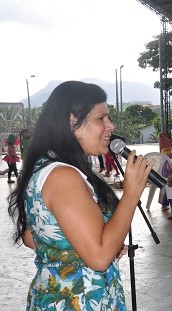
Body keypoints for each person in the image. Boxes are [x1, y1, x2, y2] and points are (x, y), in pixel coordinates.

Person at [7, 81, 153, 309]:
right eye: (101, 118)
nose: (111, 125)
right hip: (79, 300)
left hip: (59, 296)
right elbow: (99, 258)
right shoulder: (63, 177)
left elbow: (32, 236)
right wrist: (131, 194)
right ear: (72, 122)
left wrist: (93, 243)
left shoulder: (46, 166)